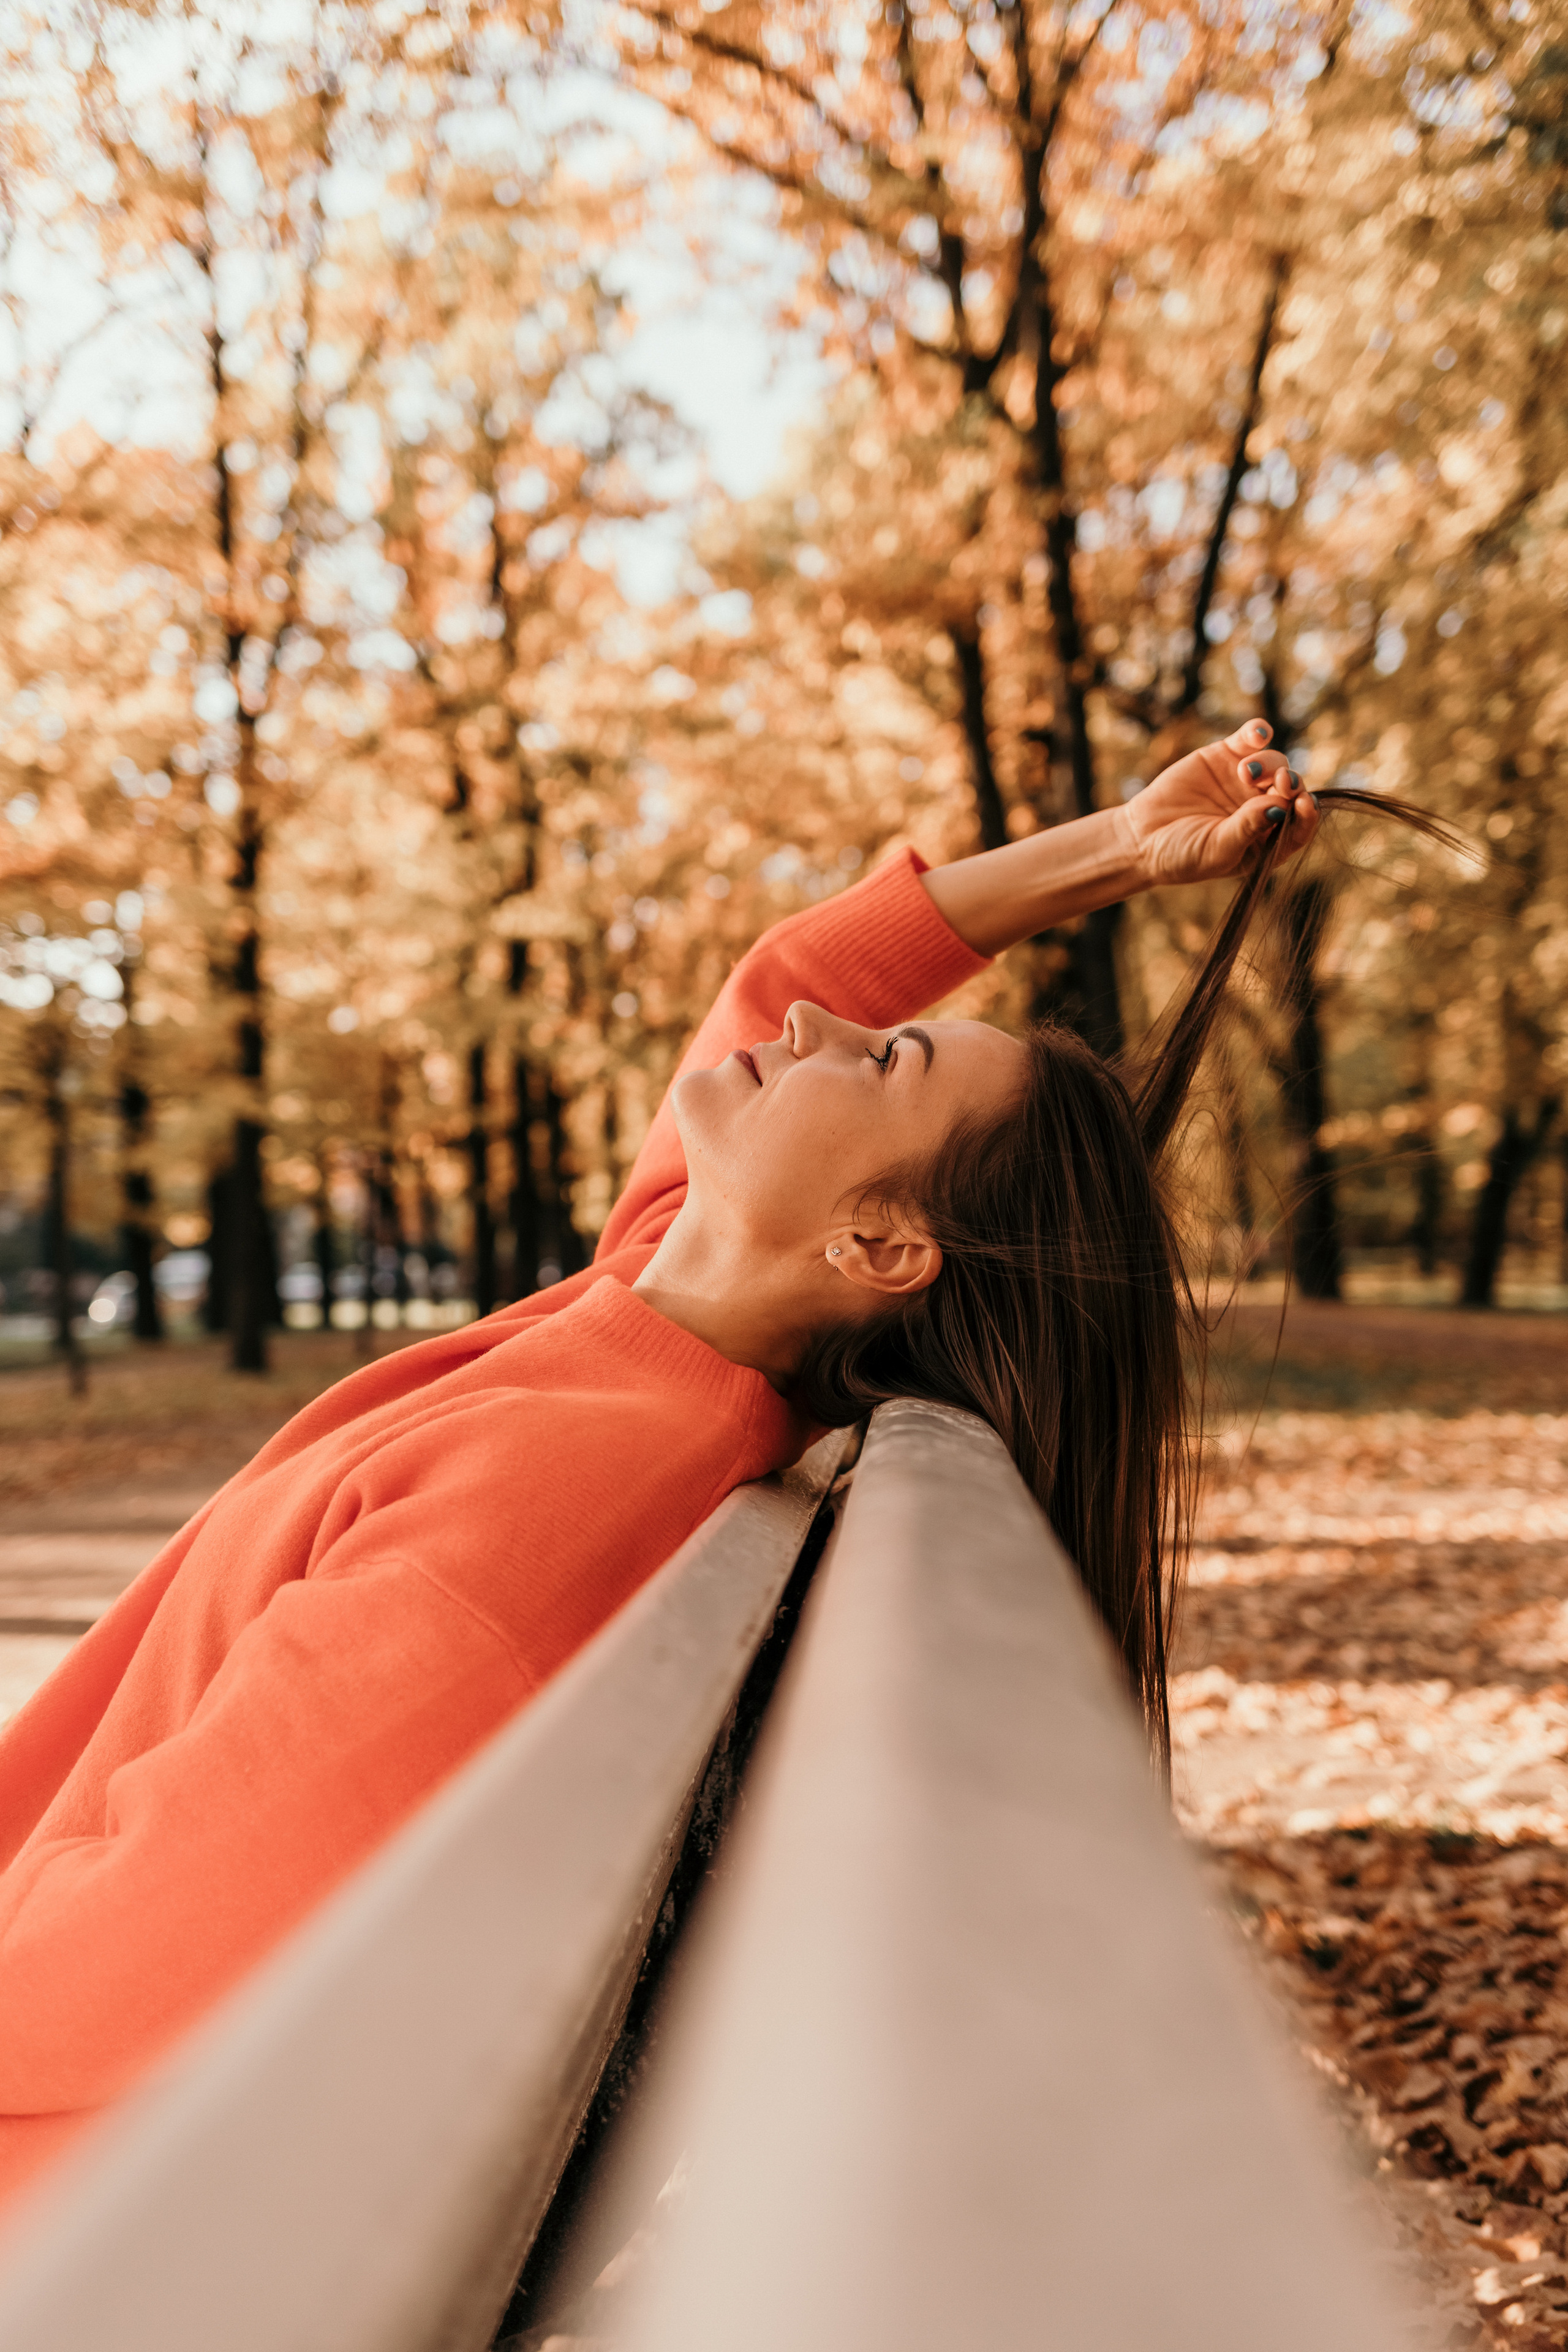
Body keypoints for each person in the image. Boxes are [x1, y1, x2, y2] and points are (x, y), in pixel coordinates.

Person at [0, 717, 1427, 2205]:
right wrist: (1126, 847)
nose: (809, 1028)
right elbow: (799, 976)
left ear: (877, 1244)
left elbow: (117, 1962)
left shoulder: (546, 1496)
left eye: (882, 1061)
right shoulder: (652, 1318)